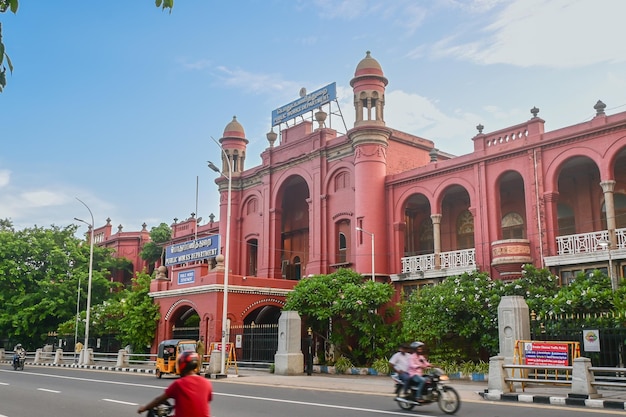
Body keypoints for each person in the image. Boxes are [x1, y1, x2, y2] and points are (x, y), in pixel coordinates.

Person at [137, 351, 213, 417]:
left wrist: (144, 408)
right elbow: (203, 401)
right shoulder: (206, 383)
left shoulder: (179, 384)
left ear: (182, 365)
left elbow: (159, 400)